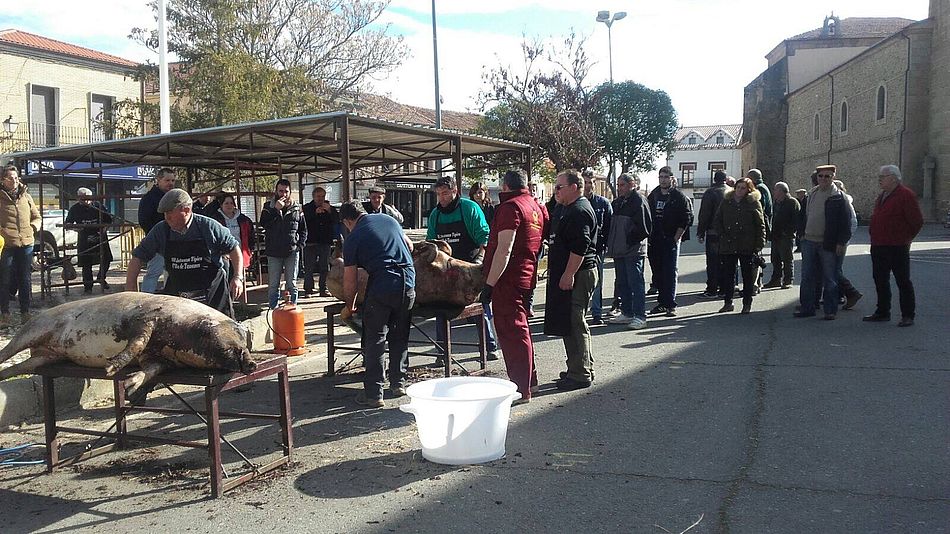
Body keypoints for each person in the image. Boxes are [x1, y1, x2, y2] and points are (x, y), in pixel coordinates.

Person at [339, 200, 415, 407]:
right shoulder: (389, 220)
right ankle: (398, 383)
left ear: (347, 221)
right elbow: (410, 245)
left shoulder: (353, 238)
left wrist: (350, 304)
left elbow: (350, 279)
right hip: (408, 282)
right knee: (399, 335)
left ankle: (374, 393)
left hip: (382, 285)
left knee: (376, 338)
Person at [482, 169, 548, 403]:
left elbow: (505, 248)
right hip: (526, 275)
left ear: (505, 186)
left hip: (508, 279)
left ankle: (521, 389)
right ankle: (530, 381)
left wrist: (490, 283)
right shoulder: (536, 206)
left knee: (512, 332)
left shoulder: (510, 208)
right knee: (522, 329)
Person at [126, 189, 244, 317]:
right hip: (178, 296)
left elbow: (234, 248)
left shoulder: (208, 227)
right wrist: (131, 292)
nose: (167, 217)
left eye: (170, 212)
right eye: (165, 214)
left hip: (212, 296)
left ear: (187, 210)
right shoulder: (161, 230)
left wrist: (238, 277)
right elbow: (137, 257)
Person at [426, 176, 498, 359]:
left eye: (445, 193)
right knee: (441, 308)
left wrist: (479, 261)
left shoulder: (469, 208)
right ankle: (442, 352)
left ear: (455, 191)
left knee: (478, 307)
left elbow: (485, 236)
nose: (441, 198)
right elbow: (431, 243)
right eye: (438, 194)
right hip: (446, 270)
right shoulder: (435, 214)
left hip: (469, 267)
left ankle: (490, 347)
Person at [544, 170, 598, 391]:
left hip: (579, 273)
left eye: (559, 187)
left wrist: (569, 274)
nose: (556, 191)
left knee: (576, 323)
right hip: (569, 272)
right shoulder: (564, 208)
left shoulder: (579, 210)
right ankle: (579, 367)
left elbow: (580, 246)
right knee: (568, 322)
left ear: (575, 187)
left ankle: (580, 373)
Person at [864, 165, 923, 327]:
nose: (880, 179)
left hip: (897, 246)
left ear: (894, 178)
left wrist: (906, 238)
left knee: (903, 281)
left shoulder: (906, 195)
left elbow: (916, 221)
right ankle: (883, 311)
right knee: (880, 280)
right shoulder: (882, 195)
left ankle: (908, 315)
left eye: (883, 176)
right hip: (879, 245)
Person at [794, 165, 854, 320]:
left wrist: (841, 243)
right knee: (807, 276)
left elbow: (846, 223)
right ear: (817, 177)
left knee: (830, 278)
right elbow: (802, 216)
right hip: (809, 241)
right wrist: (801, 234)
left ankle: (830, 310)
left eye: (827, 176)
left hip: (828, 243)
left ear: (833, 177)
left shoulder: (839, 197)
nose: (824, 179)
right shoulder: (811, 194)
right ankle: (807, 307)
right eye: (821, 176)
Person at [605, 173, 652, 329]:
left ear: (632, 184)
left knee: (636, 283)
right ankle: (627, 312)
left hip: (633, 250)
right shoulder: (618, 202)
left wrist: (629, 240)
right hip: (620, 250)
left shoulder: (639, 201)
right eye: (618, 185)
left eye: (622, 185)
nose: (619, 188)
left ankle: (640, 316)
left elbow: (645, 228)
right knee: (622, 282)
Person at [713, 177, 766, 314]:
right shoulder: (727, 201)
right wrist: (722, 234)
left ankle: (747, 303)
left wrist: (759, 244)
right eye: (738, 187)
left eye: (743, 188)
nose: (739, 190)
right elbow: (717, 220)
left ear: (749, 190)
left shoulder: (753, 203)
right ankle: (728, 302)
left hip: (747, 244)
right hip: (729, 244)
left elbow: (760, 225)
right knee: (728, 275)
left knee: (747, 276)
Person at [647, 166, 692, 317]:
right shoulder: (653, 195)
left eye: (666, 177)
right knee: (658, 273)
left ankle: (670, 304)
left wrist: (676, 238)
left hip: (670, 239)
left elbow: (686, 218)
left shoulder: (678, 197)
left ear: (672, 178)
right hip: (655, 240)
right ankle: (662, 302)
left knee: (670, 272)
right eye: (661, 177)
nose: (663, 180)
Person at [0, 165, 41, 323]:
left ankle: (26, 312)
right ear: (3, 180)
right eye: (11, 178)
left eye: (16, 178)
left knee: (25, 278)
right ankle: (5, 313)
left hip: (26, 243)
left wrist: (33, 227)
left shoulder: (26, 196)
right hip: (7, 245)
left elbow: (37, 216)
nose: (14, 181)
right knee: (5, 279)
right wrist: (3, 233)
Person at [260, 178, 307, 309]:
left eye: (286, 191)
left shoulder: (297, 208)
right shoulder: (268, 207)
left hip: (291, 251)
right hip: (274, 252)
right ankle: (273, 310)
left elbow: (303, 229)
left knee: (292, 283)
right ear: (276, 191)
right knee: (274, 284)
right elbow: (264, 223)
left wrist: (299, 245)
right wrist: (276, 210)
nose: (283, 194)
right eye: (280, 191)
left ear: (290, 192)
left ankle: (293, 309)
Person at [65, 187, 113, 294]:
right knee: (86, 264)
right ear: (78, 199)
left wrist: (104, 230)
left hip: (100, 237)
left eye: (88, 199)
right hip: (84, 238)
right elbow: (68, 224)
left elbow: (109, 220)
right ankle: (88, 287)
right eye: (83, 199)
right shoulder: (75, 209)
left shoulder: (98, 206)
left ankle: (101, 277)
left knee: (106, 259)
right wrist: (77, 228)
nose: (86, 201)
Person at [580, 169, 612, 325]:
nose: (587, 185)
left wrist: (606, 245)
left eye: (590, 182)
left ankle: (597, 313)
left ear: (595, 183)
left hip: (597, 249)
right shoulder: (575, 202)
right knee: (579, 283)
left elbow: (609, 226)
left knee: (597, 281)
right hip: (578, 250)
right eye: (585, 182)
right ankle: (580, 314)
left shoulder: (603, 203)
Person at [138, 168, 177, 293]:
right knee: (154, 272)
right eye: (167, 180)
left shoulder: (175, 197)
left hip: (175, 241)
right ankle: (145, 299)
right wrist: (156, 238)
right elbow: (144, 220)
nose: (170, 183)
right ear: (158, 180)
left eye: (172, 180)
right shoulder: (149, 198)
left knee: (173, 272)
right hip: (157, 243)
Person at [696, 170, 730, 298]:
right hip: (728, 233)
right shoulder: (731, 191)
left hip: (713, 232)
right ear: (725, 179)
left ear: (714, 179)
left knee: (713, 262)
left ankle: (712, 289)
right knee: (726, 261)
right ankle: (725, 288)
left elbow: (705, 214)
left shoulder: (710, 192)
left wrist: (700, 232)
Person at [209, 193, 255, 285]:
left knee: (238, 281)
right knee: (225, 281)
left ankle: (235, 298)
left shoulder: (244, 219)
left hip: (239, 254)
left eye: (231, 203)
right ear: (221, 205)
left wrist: (250, 250)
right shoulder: (215, 220)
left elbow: (251, 236)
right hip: (223, 257)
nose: (229, 205)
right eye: (226, 203)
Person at [301, 187, 339, 297]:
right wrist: (314, 213)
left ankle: (323, 289)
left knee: (324, 266)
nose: (320, 199)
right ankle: (308, 289)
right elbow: (303, 221)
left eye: (322, 196)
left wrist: (330, 211)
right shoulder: (307, 208)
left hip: (325, 241)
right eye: (318, 196)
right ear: (313, 197)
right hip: (310, 241)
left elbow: (337, 220)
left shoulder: (329, 208)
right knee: (309, 267)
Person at [763, 182, 800, 289]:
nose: (774, 192)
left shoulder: (792, 202)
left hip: (786, 236)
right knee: (775, 259)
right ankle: (776, 279)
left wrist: (789, 231)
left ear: (781, 191)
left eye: (775, 190)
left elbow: (796, 220)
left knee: (787, 259)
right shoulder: (777, 202)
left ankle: (788, 280)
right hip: (776, 235)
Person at [832, 179, 862, 310]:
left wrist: (843, 241)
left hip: (840, 242)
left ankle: (851, 292)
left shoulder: (845, 203)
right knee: (834, 269)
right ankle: (839, 295)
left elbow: (853, 223)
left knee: (834, 270)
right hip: (833, 241)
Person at [746, 169, 772, 294]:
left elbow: (760, 209)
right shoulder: (764, 187)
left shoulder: (759, 190)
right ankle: (758, 283)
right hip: (763, 227)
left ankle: (754, 285)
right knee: (758, 257)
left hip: (758, 228)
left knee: (755, 258)